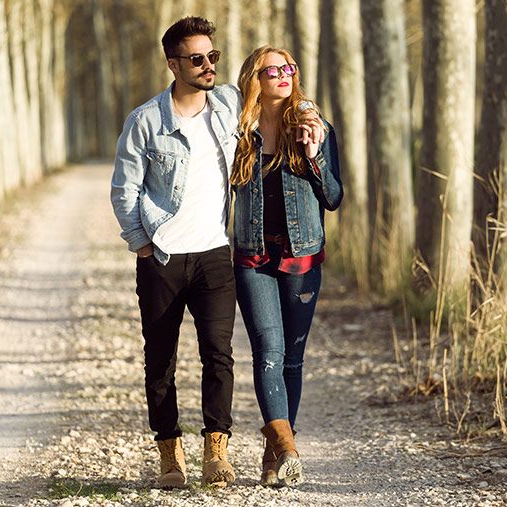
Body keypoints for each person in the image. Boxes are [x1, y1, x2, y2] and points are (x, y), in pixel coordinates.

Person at [110, 17, 241, 489]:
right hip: (163, 258)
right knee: (160, 360)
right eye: (197, 59)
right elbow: (124, 190)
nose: (208, 66)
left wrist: (307, 114)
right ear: (173, 64)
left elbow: (274, 102)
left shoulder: (227, 105)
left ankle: (216, 450)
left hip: (214, 255)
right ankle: (170, 455)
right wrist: (141, 245)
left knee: (218, 356)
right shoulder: (146, 121)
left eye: (213, 56)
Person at [231, 46, 343, 487]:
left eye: (289, 67)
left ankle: (274, 454)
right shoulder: (237, 131)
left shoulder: (315, 127)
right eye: (273, 69)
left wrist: (314, 155)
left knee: (292, 360)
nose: (284, 74)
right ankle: (288, 448)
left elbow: (333, 198)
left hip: (302, 259)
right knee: (268, 353)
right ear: (254, 78)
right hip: (252, 257)